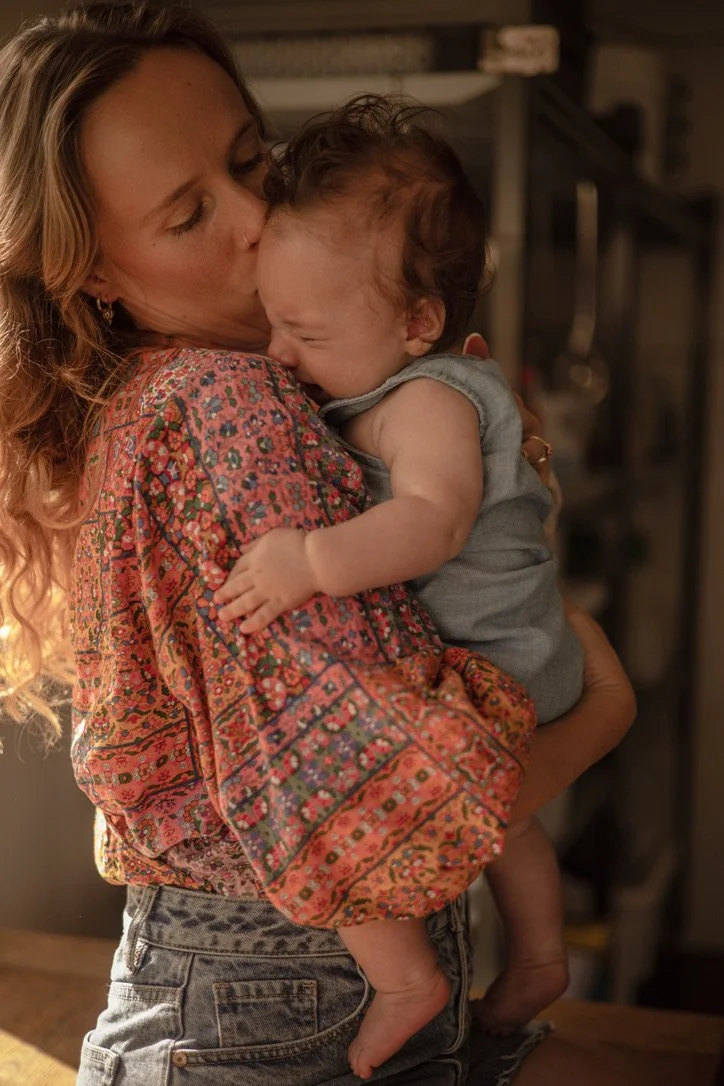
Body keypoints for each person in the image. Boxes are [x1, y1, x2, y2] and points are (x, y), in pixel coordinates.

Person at [0, 4, 642, 1085]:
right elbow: (362, 776)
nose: (259, 218)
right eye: (190, 211)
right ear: (95, 276)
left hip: (253, 965)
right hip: (291, 973)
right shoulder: (229, 402)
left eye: (258, 160)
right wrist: (597, 717)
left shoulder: (162, 398)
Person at [212, 97, 580, 1079]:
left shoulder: (425, 398)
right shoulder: (399, 374)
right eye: (269, 324)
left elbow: (434, 523)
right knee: (515, 827)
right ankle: (540, 956)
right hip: (510, 659)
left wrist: (310, 563)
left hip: (492, 661)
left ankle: (406, 977)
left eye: (307, 331)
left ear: (418, 320)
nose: (280, 355)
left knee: (337, 803)